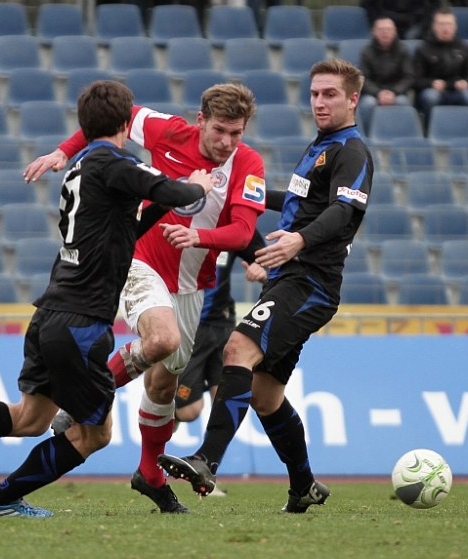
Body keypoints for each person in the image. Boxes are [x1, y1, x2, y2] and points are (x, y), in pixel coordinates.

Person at [0, 81, 215, 518]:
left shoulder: (80, 168)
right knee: (95, 435)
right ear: (125, 124)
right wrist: (198, 185)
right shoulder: (117, 163)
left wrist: (161, 207)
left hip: (50, 313)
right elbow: (176, 192)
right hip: (81, 323)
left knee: (30, 418)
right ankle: (2, 499)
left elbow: (126, 232)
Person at [24, 85, 266, 514]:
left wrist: (199, 237)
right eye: (219, 130)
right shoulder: (167, 131)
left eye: (236, 133)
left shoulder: (248, 163)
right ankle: (81, 401)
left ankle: (149, 473)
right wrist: (64, 151)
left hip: (191, 285)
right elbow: (111, 117)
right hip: (140, 261)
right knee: (162, 340)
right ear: (200, 121)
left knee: (164, 382)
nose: (227, 142)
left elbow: (244, 232)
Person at [159, 59, 374, 513]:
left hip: (310, 283)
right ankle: (304, 486)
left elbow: (343, 212)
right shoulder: (321, 147)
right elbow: (297, 201)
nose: (319, 102)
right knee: (264, 394)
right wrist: (241, 194)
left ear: (353, 99)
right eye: (314, 93)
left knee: (237, 348)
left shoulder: (351, 151)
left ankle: (206, 460)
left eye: (330, 94)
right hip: (289, 279)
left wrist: (299, 239)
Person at [174, 233, 267, 429]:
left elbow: (267, 260)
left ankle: (208, 451)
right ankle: (158, 416)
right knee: (188, 411)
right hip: (187, 326)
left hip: (223, 323)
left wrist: (263, 271)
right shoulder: (179, 224)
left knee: (225, 403)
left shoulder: (234, 226)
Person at [414, 8, 468, 122]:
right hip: (432, 91)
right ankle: (430, 130)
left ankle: (465, 130)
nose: (445, 28)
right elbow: (416, 80)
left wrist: (467, 83)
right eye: (441, 24)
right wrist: (431, 83)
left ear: (455, 27)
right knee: (431, 97)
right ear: (434, 26)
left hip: (457, 91)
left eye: (449, 24)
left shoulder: (465, 48)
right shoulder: (422, 49)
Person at [359, 17, 414, 138]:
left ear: (394, 32)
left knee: (403, 103)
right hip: (373, 93)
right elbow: (363, 79)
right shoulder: (367, 52)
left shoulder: (403, 50)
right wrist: (378, 93)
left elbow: (408, 77)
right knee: (367, 104)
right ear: (374, 32)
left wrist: (394, 92)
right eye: (381, 29)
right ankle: (367, 139)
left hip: (396, 92)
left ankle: (402, 138)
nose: (385, 33)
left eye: (388, 29)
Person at [361, 0, 441, 40]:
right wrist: (379, 21)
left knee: (413, 37)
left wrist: (424, 24)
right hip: (387, 21)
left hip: (416, 23)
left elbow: (435, 4)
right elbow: (368, 4)